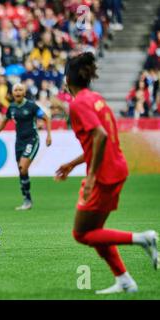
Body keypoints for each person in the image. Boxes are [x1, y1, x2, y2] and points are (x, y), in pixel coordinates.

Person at [55, 52, 158, 294]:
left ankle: (144, 238)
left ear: (67, 80)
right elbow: (101, 139)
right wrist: (73, 163)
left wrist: (90, 177)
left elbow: (100, 136)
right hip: (115, 167)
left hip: (103, 175)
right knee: (96, 231)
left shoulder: (78, 104)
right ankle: (124, 280)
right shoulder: (96, 98)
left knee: (81, 233)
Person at [0, 83, 52, 210]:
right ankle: (26, 199)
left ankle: (27, 200)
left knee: (23, 168)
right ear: (12, 93)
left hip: (32, 139)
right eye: (15, 90)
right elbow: (3, 122)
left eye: (20, 90)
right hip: (19, 142)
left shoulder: (31, 106)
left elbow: (46, 118)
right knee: (22, 171)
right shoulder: (11, 108)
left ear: (24, 92)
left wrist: (49, 135)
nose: (17, 92)